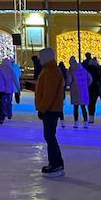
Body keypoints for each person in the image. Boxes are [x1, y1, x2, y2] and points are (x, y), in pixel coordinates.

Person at [33, 48, 65, 177]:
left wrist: (42, 109)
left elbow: (49, 94)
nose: (40, 59)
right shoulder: (48, 70)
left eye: (41, 57)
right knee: (49, 136)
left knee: (50, 136)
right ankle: (56, 163)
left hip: (51, 109)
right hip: (51, 108)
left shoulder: (51, 71)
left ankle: (56, 164)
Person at [66, 57, 90, 128]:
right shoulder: (83, 69)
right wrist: (85, 85)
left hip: (75, 90)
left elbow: (69, 80)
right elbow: (90, 79)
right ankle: (85, 122)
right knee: (83, 107)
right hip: (84, 90)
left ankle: (76, 123)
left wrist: (68, 84)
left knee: (76, 107)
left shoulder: (71, 70)